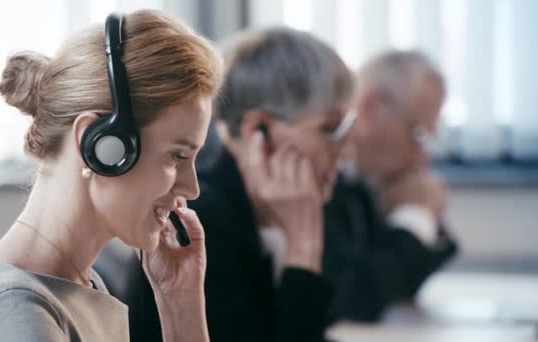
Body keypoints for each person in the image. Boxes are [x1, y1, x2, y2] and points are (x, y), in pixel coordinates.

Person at [0, 10, 222, 342]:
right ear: (100, 146)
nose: (192, 188)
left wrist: (180, 302)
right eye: (177, 156)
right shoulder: (15, 316)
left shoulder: (73, 287)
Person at [127, 27, 355, 342]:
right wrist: (303, 249)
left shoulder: (293, 206)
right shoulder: (202, 221)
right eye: (329, 128)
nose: (345, 151)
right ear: (258, 130)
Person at [321, 50, 457, 322]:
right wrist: (415, 217)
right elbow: (358, 299)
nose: (423, 157)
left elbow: (401, 287)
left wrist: (423, 217)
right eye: (418, 134)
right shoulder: (320, 176)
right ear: (371, 107)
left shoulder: (368, 184)